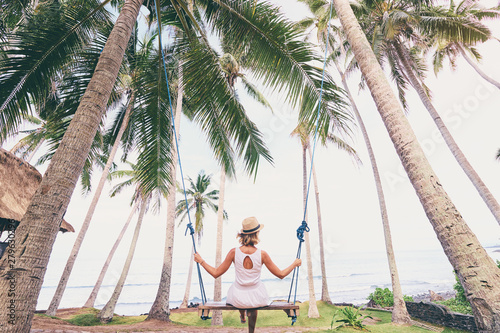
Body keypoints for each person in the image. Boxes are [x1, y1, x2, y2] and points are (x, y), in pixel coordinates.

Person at [194, 216, 301, 332]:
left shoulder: (233, 252)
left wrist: (201, 261)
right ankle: (251, 331)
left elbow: (216, 273)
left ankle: (242, 314)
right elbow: (281, 274)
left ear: (243, 234)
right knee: (253, 302)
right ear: (256, 234)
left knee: (242, 293)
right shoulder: (262, 254)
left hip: (237, 298)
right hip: (257, 297)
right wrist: (294, 264)